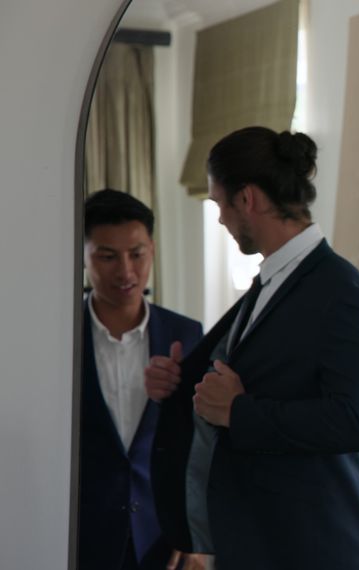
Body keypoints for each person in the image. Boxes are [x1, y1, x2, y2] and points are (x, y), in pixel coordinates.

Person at [144, 127, 359, 569]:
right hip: (263, 543)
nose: (219, 218)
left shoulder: (341, 291)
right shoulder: (270, 285)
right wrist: (179, 382)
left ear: (248, 199)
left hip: (314, 550)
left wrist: (240, 412)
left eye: (219, 202)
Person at [79, 189, 204, 570]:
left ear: (152, 247)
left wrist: (194, 534)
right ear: (82, 255)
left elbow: (199, 443)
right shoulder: (59, 337)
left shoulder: (186, 334)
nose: (126, 271)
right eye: (107, 256)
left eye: (137, 253)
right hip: (78, 534)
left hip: (161, 541)